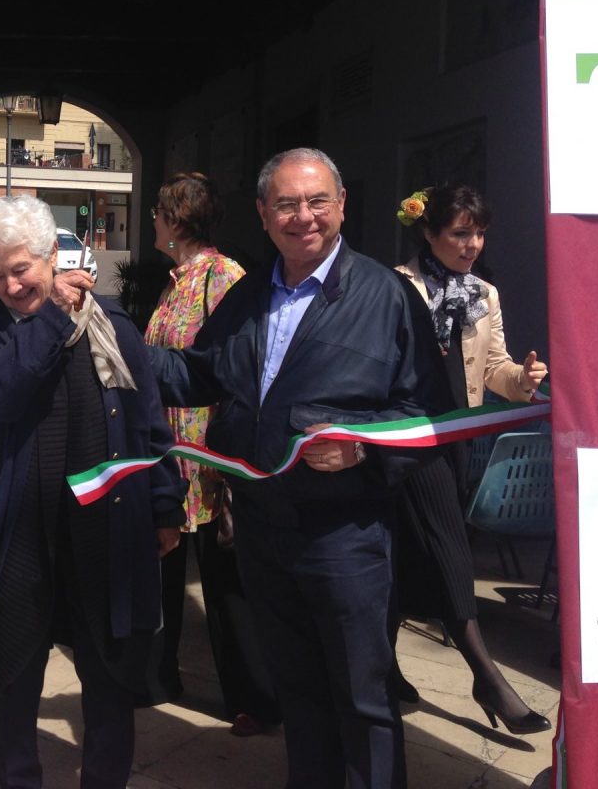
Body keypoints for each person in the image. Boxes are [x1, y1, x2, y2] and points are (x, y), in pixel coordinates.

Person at [151, 147, 450, 789]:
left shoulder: (387, 296)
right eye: (286, 204)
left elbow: (429, 412)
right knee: (298, 688)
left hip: (345, 534)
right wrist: (107, 336)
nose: (303, 217)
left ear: (342, 205)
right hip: (264, 528)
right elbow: (199, 374)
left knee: (362, 695)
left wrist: (364, 448)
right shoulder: (248, 295)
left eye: (317, 201)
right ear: (263, 214)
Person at [0, 194, 186, 789]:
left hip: (104, 527)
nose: (11, 286)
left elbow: (149, 421)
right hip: (23, 530)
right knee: (13, 669)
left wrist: (165, 505)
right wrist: (52, 317)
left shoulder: (113, 324)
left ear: (50, 257)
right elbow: (0, 394)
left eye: (21, 269)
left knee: (109, 674)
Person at [390, 184, 550, 734]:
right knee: (451, 550)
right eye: (460, 233)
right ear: (428, 232)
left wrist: (523, 380)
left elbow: (495, 367)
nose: (472, 244)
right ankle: (486, 674)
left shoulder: (485, 293)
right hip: (410, 441)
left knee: (409, 554)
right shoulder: (396, 286)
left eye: (479, 233)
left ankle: (381, 665)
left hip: (457, 441)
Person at [144, 172, 279, 736]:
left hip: (211, 454)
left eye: (158, 213)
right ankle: (157, 677)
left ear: (176, 220)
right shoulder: (176, 281)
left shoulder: (222, 276)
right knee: (164, 560)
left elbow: (238, 362)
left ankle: (253, 697)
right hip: (170, 450)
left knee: (226, 578)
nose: (153, 222)